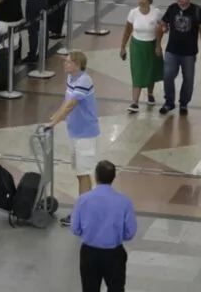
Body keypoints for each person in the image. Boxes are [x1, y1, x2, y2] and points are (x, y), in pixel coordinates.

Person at [45, 51, 100, 227]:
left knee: (84, 173)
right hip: (75, 132)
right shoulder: (71, 79)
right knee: (79, 173)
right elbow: (65, 101)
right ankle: (85, 209)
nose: (65, 64)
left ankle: (83, 213)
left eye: (69, 62)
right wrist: (55, 115)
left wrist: (54, 123)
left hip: (85, 134)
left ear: (78, 64)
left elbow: (71, 105)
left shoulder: (84, 80)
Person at [70, 160, 137, 292]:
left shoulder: (83, 200)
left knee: (89, 288)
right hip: (114, 254)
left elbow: (75, 228)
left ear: (96, 176)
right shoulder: (124, 202)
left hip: (89, 253)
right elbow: (130, 232)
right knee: (116, 288)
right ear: (114, 177)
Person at [156, 0, 201, 115]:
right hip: (172, 51)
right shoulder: (172, 8)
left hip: (189, 53)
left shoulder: (196, 10)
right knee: (168, 76)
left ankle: (184, 103)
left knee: (188, 78)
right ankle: (169, 102)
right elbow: (162, 24)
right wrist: (158, 43)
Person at [119, 0, 163, 113]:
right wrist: (122, 47)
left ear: (149, 0)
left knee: (151, 71)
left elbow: (161, 29)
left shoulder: (156, 13)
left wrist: (158, 45)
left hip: (151, 44)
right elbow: (127, 31)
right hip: (137, 45)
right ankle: (135, 102)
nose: (140, 1)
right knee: (137, 72)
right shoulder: (133, 13)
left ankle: (150, 93)